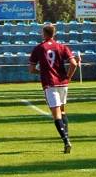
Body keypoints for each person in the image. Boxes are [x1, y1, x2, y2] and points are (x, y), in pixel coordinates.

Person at [28, 23, 79, 154]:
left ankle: (66, 141)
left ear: (44, 34)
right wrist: (68, 77)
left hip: (50, 84)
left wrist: (42, 71)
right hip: (63, 83)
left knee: (56, 115)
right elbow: (74, 63)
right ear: (54, 34)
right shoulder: (62, 47)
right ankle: (67, 139)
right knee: (62, 112)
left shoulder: (39, 48)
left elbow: (32, 69)